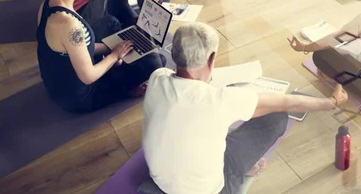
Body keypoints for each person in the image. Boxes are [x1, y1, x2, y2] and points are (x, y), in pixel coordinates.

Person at [142, 22, 347, 194]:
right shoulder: (219, 100)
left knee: (206, 131)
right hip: (212, 190)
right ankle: (240, 171)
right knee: (275, 118)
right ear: (211, 59)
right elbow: (285, 102)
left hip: (161, 181)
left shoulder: (157, 77)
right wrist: (330, 103)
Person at [35, 0, 166, 113]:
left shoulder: (47, 4)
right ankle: (124, 91)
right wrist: (114, 55)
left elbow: (74, 47)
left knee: (110, 22)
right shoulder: (69, 25)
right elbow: (88, 76)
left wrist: (113, 47)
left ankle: (119, 66)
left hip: (57, 85)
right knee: (155, 62)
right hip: (81, 97)